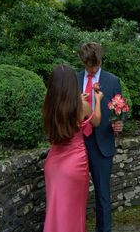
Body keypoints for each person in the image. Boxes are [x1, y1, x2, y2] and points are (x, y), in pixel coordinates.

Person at [42, 64, 103, 232]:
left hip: (53, 164)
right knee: (73, 213)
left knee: (56, 211)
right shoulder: (81, 106)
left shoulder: (49, 106)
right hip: (74, 164)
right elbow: (96, 121)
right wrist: (97, 101)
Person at [77, 42, 123, 232]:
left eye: (95, 65)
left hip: (102, 146)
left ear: (101, 60)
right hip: (76, 145)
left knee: (102, 194)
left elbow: (119, 109)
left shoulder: (113, 81)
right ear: (82, 61)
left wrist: (120, 123)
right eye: (89, 65)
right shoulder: (73, 79)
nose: (93, 69)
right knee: (74, 195)